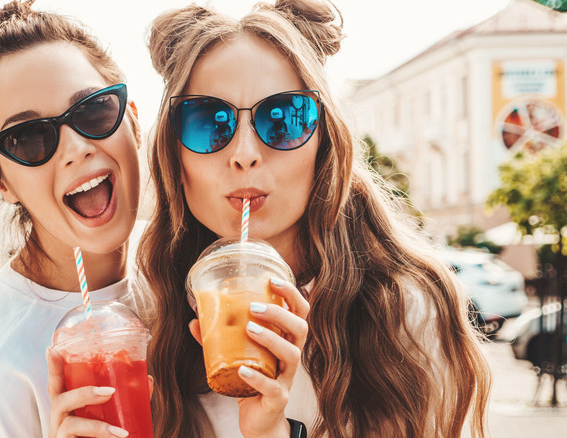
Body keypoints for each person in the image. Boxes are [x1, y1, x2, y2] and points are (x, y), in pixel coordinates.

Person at [139, 1, 491, 437]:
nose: (245, 154)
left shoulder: (404, 309)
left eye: (283, 119)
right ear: (172, 153)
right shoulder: (148, 313)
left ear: (325, 142)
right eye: (207, 121)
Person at [0, 1, 147, 436]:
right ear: (0, 179)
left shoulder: (190, 277)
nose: (76, 148)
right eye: (28, 138)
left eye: (93, 110)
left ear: (133, 121)